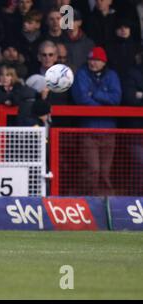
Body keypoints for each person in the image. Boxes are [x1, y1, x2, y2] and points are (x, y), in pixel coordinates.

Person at [71, 46, 122, 195]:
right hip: (89, 129)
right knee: (93, 169)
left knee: (105, 171)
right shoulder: (81, 74)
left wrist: (95, 94)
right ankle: (89, 199)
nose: (93, 63)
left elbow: (116, 99)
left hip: (108, 130)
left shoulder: (112, 75)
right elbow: (81, 98)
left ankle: (107, 202)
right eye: (91, 59)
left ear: (104, 62)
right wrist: (103, 103)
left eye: (97, 60)